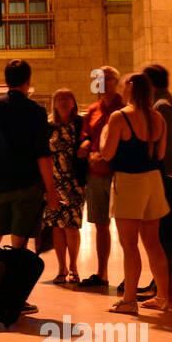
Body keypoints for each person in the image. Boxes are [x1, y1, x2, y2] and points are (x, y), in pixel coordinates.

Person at [0, 60, 61, 312]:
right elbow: (43, 156)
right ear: (28, 81)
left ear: (6, 79)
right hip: (26, 188)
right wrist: (51, 192)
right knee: (18, 246)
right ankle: (12, 300)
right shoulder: (35, 111)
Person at [99, 72, 171, 314]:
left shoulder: (120, 117)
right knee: (153, 243)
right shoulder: (158, 118)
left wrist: (103, 136)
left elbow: (107, 154)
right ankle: (162, 296)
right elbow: (160, 156)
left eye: (123, 85)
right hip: (154, 182)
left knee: (129, 245)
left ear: (130, 87)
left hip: (129, 183)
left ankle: (129, 300)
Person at [78, 65, 125, 291]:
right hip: (96, 174)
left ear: (116, 82)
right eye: (99, 79)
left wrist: (109, 159)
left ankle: (129, 275)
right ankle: (102, 272)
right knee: (100, 225)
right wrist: (86, 144)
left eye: (108, 79)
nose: (103, 83)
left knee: (127, 226)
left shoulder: (125, 109)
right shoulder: (92, 110)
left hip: (118, 174)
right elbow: (86, 135)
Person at [143, 63, 172, 306]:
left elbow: (167, 149)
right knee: (163, 232)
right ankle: (161, 282)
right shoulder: (163, 102)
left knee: (165, 234)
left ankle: (167, 286)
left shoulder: (162, 106)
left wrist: (165, 177)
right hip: (169, 176)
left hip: (166, 177)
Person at [44, 88, 86, 284]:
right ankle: (61, 267)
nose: (63, 101)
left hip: (74, 182)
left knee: (71, 226)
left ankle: (74, 267)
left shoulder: (79, 123)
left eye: (67, 98)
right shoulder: (48, 126)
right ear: (54, 102)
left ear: (73, 102)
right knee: (56, 226)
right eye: (59, 98)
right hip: (53, 182)